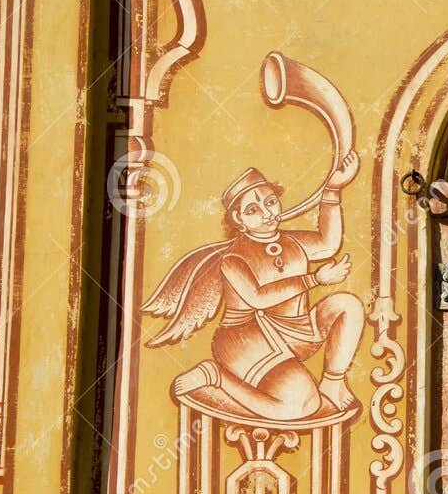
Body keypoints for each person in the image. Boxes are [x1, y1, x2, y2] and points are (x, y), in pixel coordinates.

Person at [142, 166, 364, 421]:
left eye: (270, 202)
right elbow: (258, 298)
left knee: (349, 305)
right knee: (303, 405)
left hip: (295, 331)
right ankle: (216, 376)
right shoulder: (233, 259)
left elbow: (328, 244)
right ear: (238, 219)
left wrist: (333, 190)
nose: (267, 213)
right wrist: (314, 279)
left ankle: (333, 384)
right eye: (253, 210)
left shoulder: (291, 241)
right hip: (246, 338)